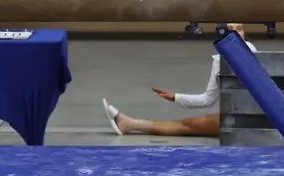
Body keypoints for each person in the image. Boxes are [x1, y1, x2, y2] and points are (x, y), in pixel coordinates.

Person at [102, 24, 256, 138]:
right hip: (240, 117)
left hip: (261, 118)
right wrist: (176, 97)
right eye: (230, 28)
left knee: (189, 125)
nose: (236, 32)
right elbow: (207, 100)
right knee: (188, 124)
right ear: (222, 32)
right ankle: (130, 124)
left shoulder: (250, 50)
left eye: (240, 29)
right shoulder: (219, 61)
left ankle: (130, 124)